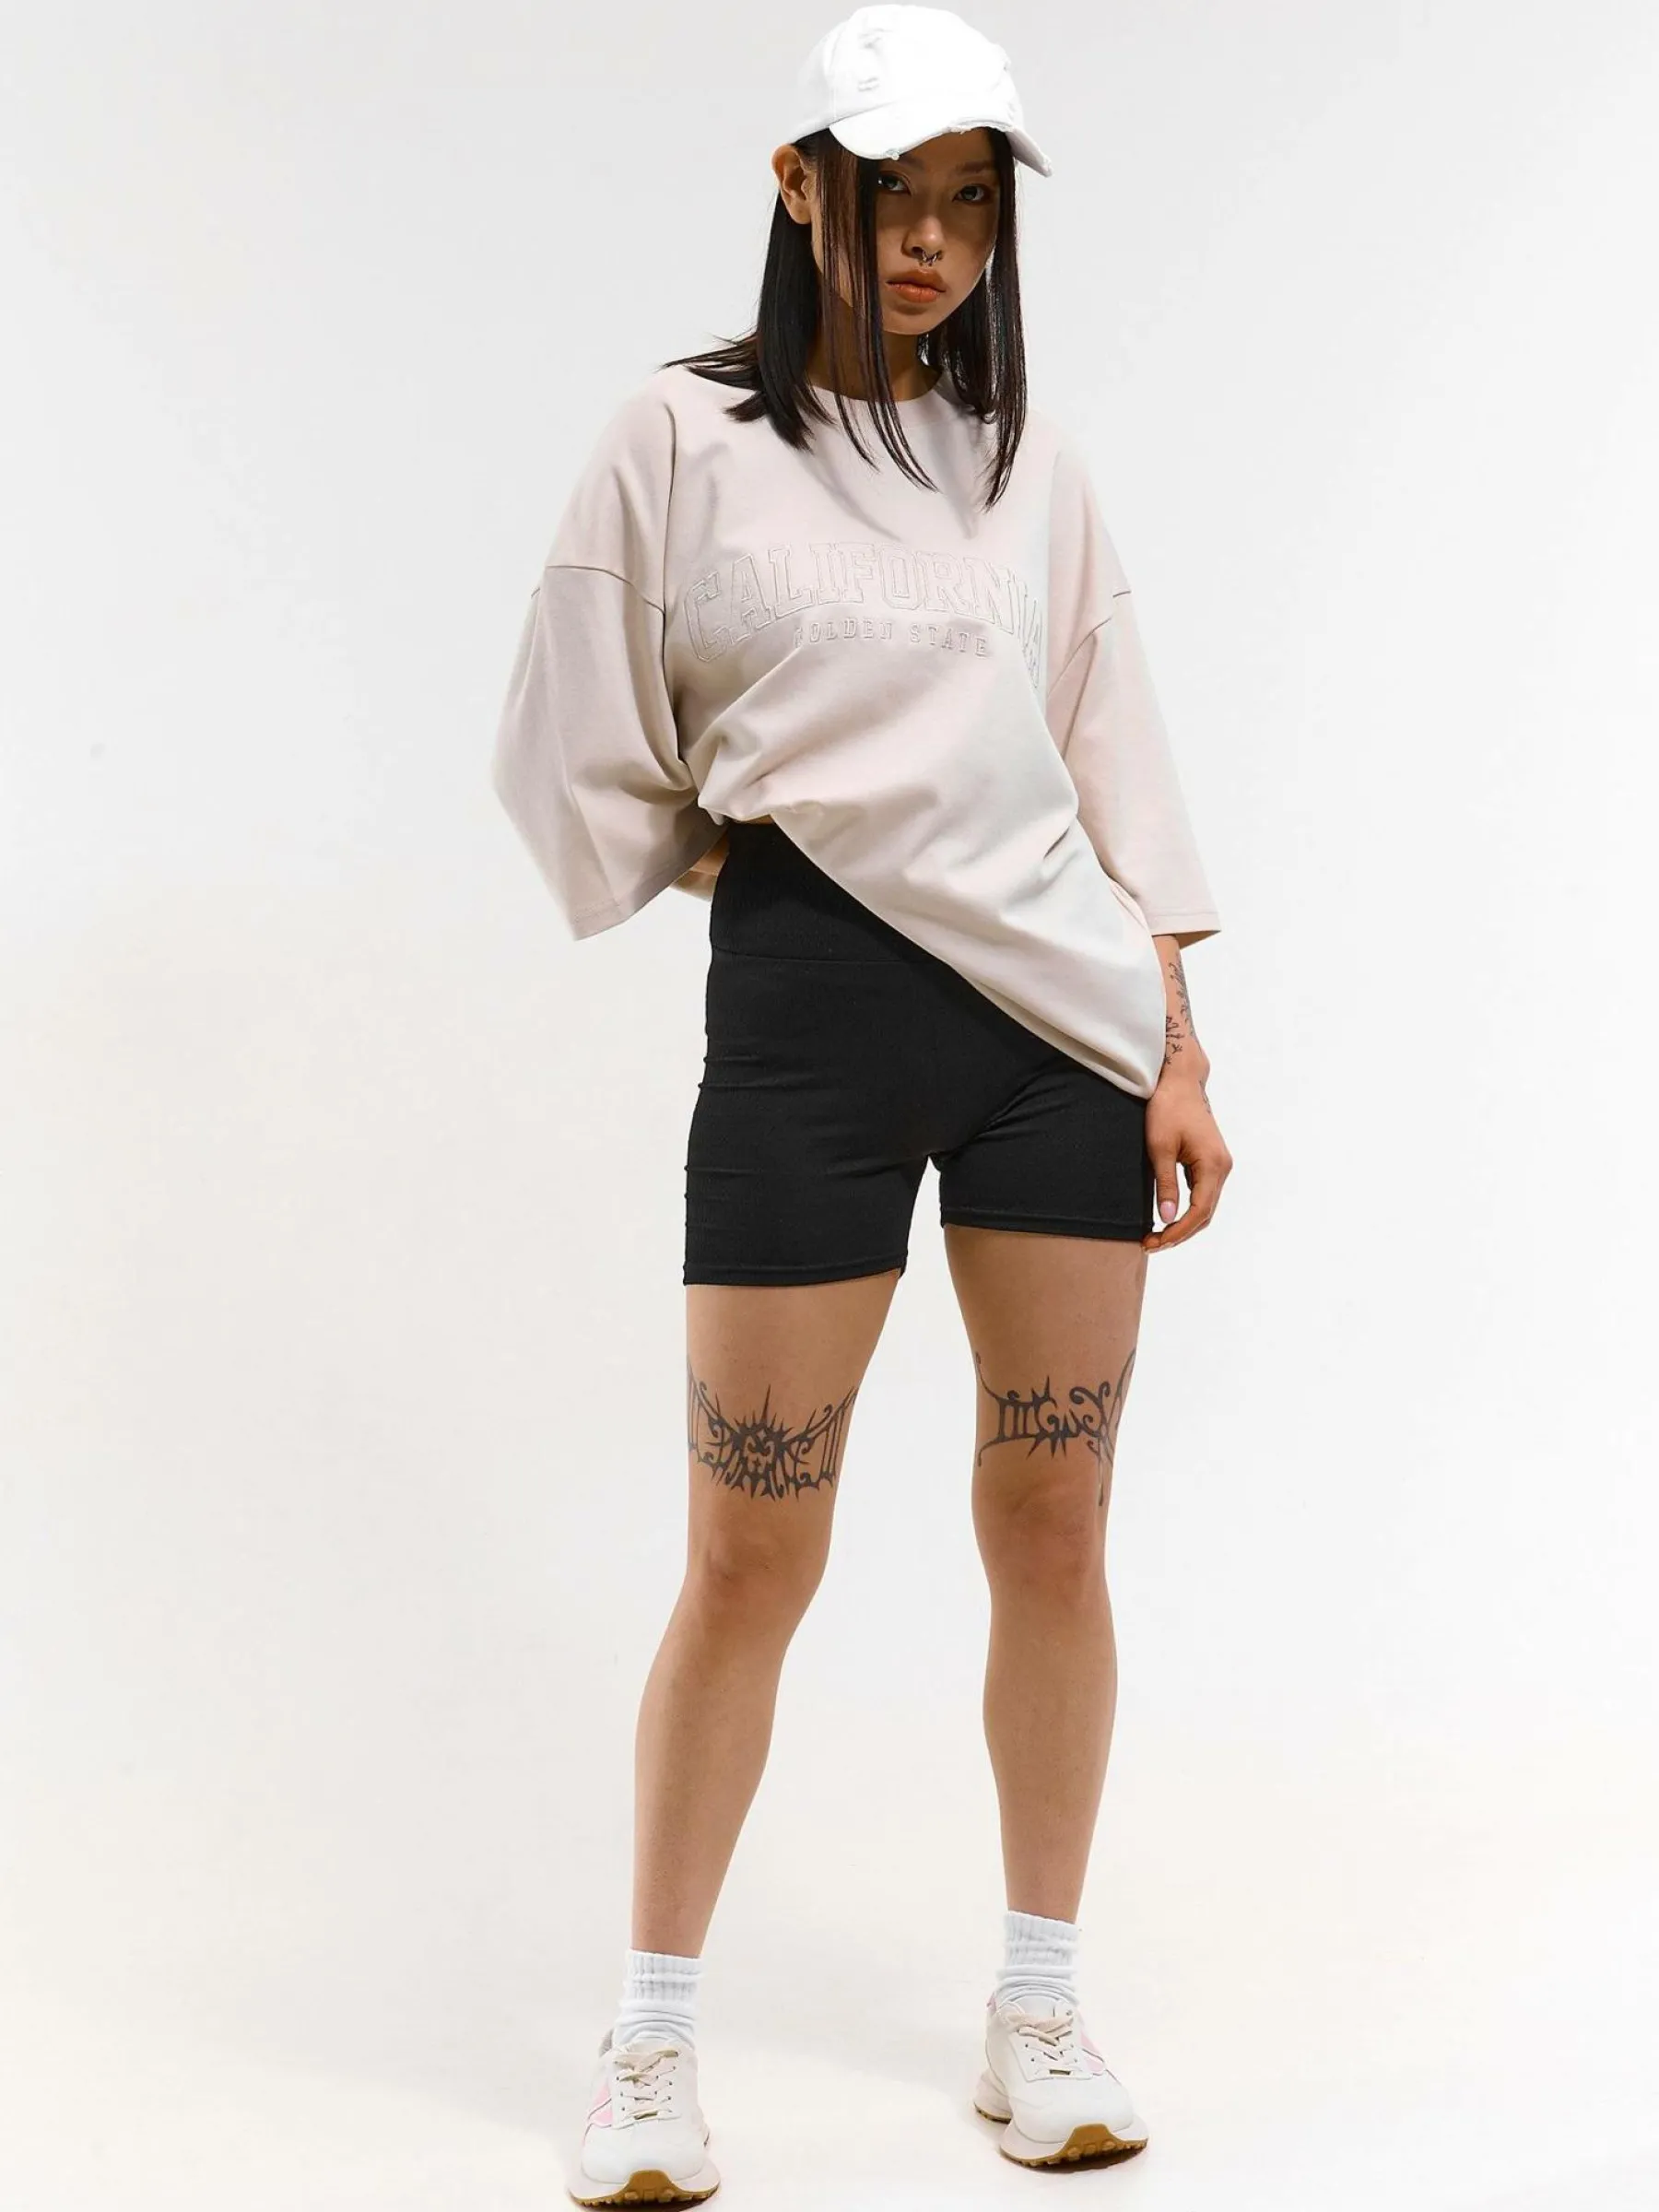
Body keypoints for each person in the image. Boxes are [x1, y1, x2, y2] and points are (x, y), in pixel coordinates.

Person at [490, 6, 1233, 2198]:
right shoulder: (679, 434)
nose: (930, 243)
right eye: (895, 195)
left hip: (1058, 1041)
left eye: (968, 205)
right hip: (809, 1022)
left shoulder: (1027, 465)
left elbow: (1112, 757)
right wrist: (735, 854)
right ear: (798, 183)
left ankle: (1038, 2008)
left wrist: (1181, 1050)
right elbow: (571, 728)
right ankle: (648, 2045)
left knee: (1054, 1522)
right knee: (750, 1547)